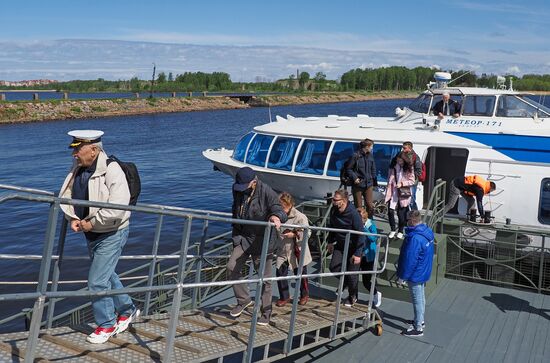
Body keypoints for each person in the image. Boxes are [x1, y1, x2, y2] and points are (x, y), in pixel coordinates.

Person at [59, 130, 139, 344]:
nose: (74, 153)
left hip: (112, 232)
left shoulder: (112, 170)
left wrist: (91, 222)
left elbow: (118, 208)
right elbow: (65, 195)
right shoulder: (77, 168)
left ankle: (107, 324)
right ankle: (128, 309)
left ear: (94, 150)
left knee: (96, 281)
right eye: (74, 148)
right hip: (90, 233)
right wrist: (72, 217)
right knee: (107, 274)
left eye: (78, 148)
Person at [227, 167, 287, 326]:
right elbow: (236, 210)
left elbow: (279, 209)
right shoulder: (238, 188)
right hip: (244, 237)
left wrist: (275, 216)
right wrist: (236, 236)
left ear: (254, 182)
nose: (241, 189)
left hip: (262, 241)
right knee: (232, 267)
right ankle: (243, 300)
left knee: (264, 279)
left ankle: (266, 312)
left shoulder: (267, 192)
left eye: (244, 186)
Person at [397, 210, 435, 337]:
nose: (406, 222)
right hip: (423, 270)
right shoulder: (427, 232)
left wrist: (403, 276)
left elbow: (410, 259)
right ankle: (420, 320)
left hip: (415, 273)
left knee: (417, 299)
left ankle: (418, 328)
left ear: (412, 221)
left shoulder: (415, 238)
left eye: (407, 220)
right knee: (421, 297)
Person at [327, 189, 365, 307]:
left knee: (352, 275)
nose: (333, 201)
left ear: (343, 201)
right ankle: (345, 283)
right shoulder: (334, 210)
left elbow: (361, 233)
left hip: (354, 248)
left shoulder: (353, 213)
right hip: (341, 245)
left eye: (335, 200)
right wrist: (330, 242)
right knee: (333, 267)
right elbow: (332, 226)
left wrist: (358, 254)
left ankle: (352, 296)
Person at [275, 192, 312, 307]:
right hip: (282, 249)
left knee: (300, 274)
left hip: (297, 250)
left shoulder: (300, 217)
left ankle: (304, 295)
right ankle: (284, 296)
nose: (282, 209)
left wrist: (295, 234)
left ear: (290, 204)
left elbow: (308, 232)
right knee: (280, 272)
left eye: (284, 206)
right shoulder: (277, 216)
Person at [385, 152, 415, 239]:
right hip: (393, 191)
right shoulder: (393, 166)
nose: (399, 162)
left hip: (403, 192)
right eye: (398, 160)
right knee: (390, 211)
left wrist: (402, 183)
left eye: (401, 161)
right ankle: (393, 229)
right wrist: (388, 186)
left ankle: (401, 230)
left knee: (401, 214)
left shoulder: (409, 168)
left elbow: (412, 181)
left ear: (404, 160)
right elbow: (389, 178)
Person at [345, 138, 378, 218]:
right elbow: (348, 169)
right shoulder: (355, 156)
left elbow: (373, 169)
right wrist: (355, 178)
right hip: (358, 185)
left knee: (370, 205)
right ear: (367, 146)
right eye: (371, 146)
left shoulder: (370, 156)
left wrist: (374, 183)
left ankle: (369, 221)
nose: (372, 148)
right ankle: (359, 223)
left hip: (368, 184)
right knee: (359, 207)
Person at [357, 208, 382, 308]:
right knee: (351, 276)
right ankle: (352, 296)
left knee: (366, 281)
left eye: (360, 220)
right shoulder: (356, 224)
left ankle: (376, 294)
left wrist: (364, 228)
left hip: (368, 256)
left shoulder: (371, 225)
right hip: (358, 254)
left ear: (364, 218)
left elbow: (373, 238)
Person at [390, 142, 423, 210]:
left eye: (405, 148)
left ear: (410, 148)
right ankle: (406, 215)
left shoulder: (415, 157)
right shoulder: (401, 154)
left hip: (411, 182)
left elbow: (419, 171)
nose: (403, 149)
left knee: (411, 199)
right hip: (401, 182)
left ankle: (415, 215)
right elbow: (393, 163)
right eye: (403, 148)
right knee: (403, 199)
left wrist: (411, 177)